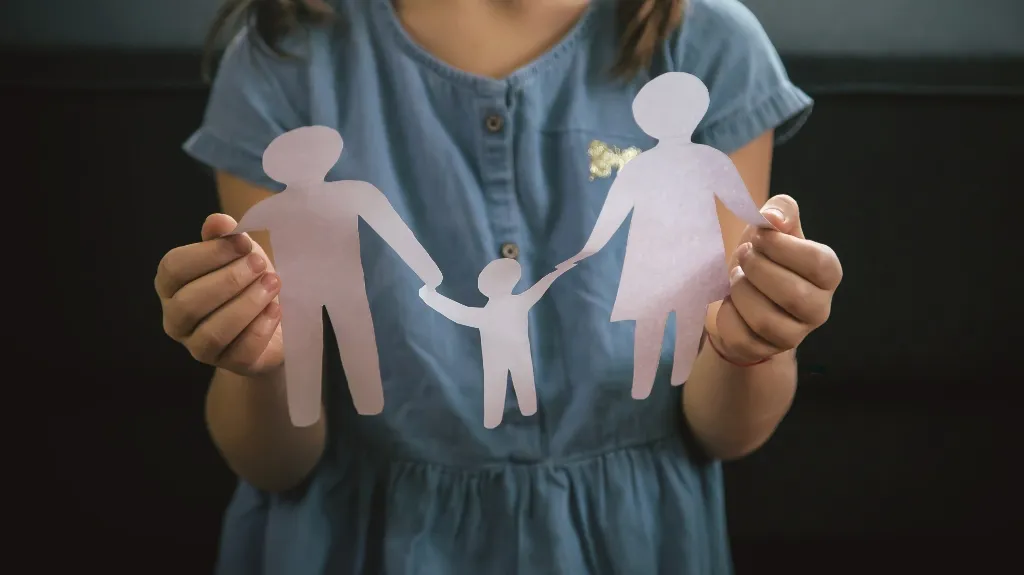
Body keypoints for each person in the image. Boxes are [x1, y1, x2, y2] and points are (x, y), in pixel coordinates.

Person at [155, 0, 843, 573]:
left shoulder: (710, 44)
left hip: (635, 541)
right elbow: (273, 459)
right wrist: (256, 360)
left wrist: (759, 334)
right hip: (356, 541)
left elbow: (727, 427)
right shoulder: (283, 59)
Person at [558, 71, 776, 401]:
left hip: (683, 259)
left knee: (672, 322)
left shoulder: (653, 165)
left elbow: (742, 205)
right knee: (672, 322)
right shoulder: (691, 161)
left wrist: (772, 228)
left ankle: (652, 385)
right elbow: (743, 205)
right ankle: (650, 385)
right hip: (666, 257)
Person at [228, 125, 443, 426]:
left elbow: (394, 230)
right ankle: (313, 411)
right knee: (317, 348)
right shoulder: (291, 204)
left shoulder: (285, 205)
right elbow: (232, 236)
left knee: (347, 344)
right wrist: (429, 272)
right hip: (308, 294)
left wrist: (427, 270)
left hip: (335, 291)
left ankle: (349, 408)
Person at [418, 259, 573, 429]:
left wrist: (430, 297)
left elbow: (458, 313)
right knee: (519, 383)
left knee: (497, 386)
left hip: (497, 358)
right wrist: (557, 272)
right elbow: (540, 287)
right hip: (516, 354)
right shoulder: (519, 302)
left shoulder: (488, 312)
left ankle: (496, 420)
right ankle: (527, 413)